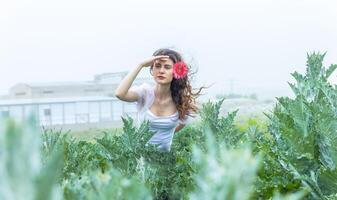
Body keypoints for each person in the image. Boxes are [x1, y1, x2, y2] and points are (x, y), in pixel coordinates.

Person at [115, 48, 204, 152]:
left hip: (165, 163)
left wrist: (167, 132)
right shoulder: (145, 93)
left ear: (176, 72)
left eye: (167, 67)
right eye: (157, 66)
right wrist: (140, 65)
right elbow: (120, 94)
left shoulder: (182, 101)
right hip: (141, 162)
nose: (161, 71)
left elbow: (182, 123)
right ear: (152, 70)